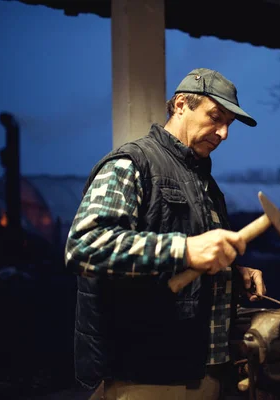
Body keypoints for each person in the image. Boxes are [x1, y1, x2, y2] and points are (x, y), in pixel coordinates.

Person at [65, 68, 266, 400]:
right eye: (216, 117)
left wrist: (231, 273)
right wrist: (184, 250)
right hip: (149, 372)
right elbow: (84, 246)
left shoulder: (204, 183)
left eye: (229, 124)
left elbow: (195, 258)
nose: (224, 133)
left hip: (205, 367)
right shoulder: (132, 163)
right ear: (181, 104)